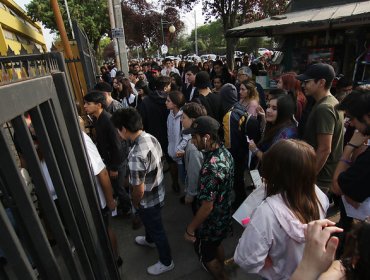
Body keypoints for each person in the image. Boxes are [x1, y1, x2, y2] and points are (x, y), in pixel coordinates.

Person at [234, 139, 329, 280]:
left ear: (275, 171)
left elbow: (246, 259)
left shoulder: (267, 213)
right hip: (310, 271)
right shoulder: (318, 195)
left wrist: (265, 261)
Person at [111, 108, 174, 275]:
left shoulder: (136, 155)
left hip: (148, 200)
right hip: (158, 192)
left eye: (118, 129)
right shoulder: (150, 137)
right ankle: (149, 239)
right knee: (153, 227)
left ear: (124, 129)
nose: (118, 133)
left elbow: (137, 189)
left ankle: (166, 261)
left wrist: (136, 204)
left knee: (157, 229)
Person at [183, 116, 234, 280]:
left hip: (212, 222)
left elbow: (207, 206)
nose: (192, 141)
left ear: (206, 137)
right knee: (216, 245)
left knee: (207, 256)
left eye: (194, 137)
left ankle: (221, 276)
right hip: (224, 213)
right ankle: (223, 267)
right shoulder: (224, 152)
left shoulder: (210, 169)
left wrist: (190, 229)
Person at [297, 63, 344, 194]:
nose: (303, 85)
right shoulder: (329, 102)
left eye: (307, 82)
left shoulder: (325, 108)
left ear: (321, 82)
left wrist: (308, 178)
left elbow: (324, 149)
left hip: (319, 178)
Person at [83, 91, 131, 215]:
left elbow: (117, 146)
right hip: (110, 160)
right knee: (118, 187)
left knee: (119, 188)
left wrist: (114, 168)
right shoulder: (98, 119)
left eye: (88, 103)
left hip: (117, 161)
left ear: (99, 105)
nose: (85, 106)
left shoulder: (108, 120)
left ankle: (131, 209)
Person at [249, 92, 298, 162]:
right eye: (268, 106)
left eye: (274, 108)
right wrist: (263, 117)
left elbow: (273, 161)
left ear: (283, 111)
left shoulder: (286, 134)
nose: (268, 110)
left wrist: (255, 150)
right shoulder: (277, 124)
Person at [180, 103, 207, 212]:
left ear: (193, 120)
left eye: (183, 117)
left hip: (199, 193)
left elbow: (194, 173)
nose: (181, 120)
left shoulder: (193, 146)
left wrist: (190, 194)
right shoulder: (202, 135)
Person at [165, 91, 190, 192]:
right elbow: (169, 134)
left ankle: (190, 196)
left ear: (175, 103)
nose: (165, 102)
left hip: (181, 156)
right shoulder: (170, 115)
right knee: (182, 178)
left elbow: (187, 136)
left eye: (168, 101)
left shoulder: (183, 117)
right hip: (173, 153)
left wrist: (178, 149)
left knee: (185, 178)